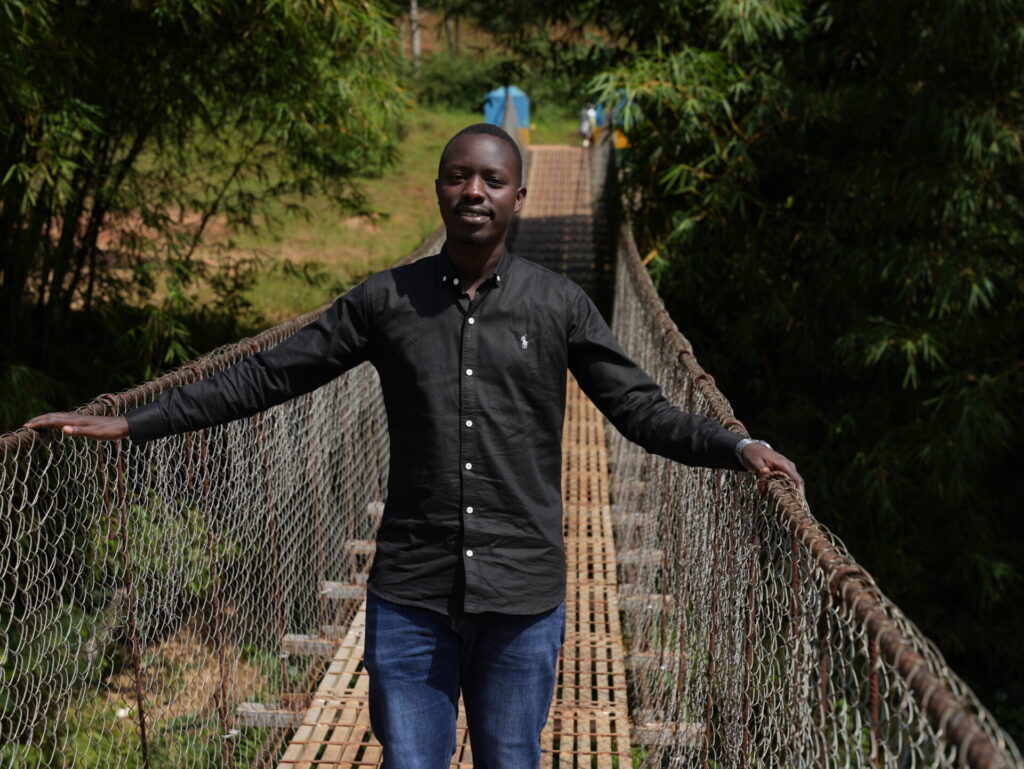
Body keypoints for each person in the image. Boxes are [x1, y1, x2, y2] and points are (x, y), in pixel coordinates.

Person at [26, 124, 803, 769]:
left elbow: (639, 409)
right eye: (459, 177)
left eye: (492, 180)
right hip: (412, 594)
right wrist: (135, 422)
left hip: (522, 595)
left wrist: (733, 444)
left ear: (518, 198)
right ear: (439, 190)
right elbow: (268, 376)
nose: (474, 192)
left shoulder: (559, 304)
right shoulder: (384, 301)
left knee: (511, 758)